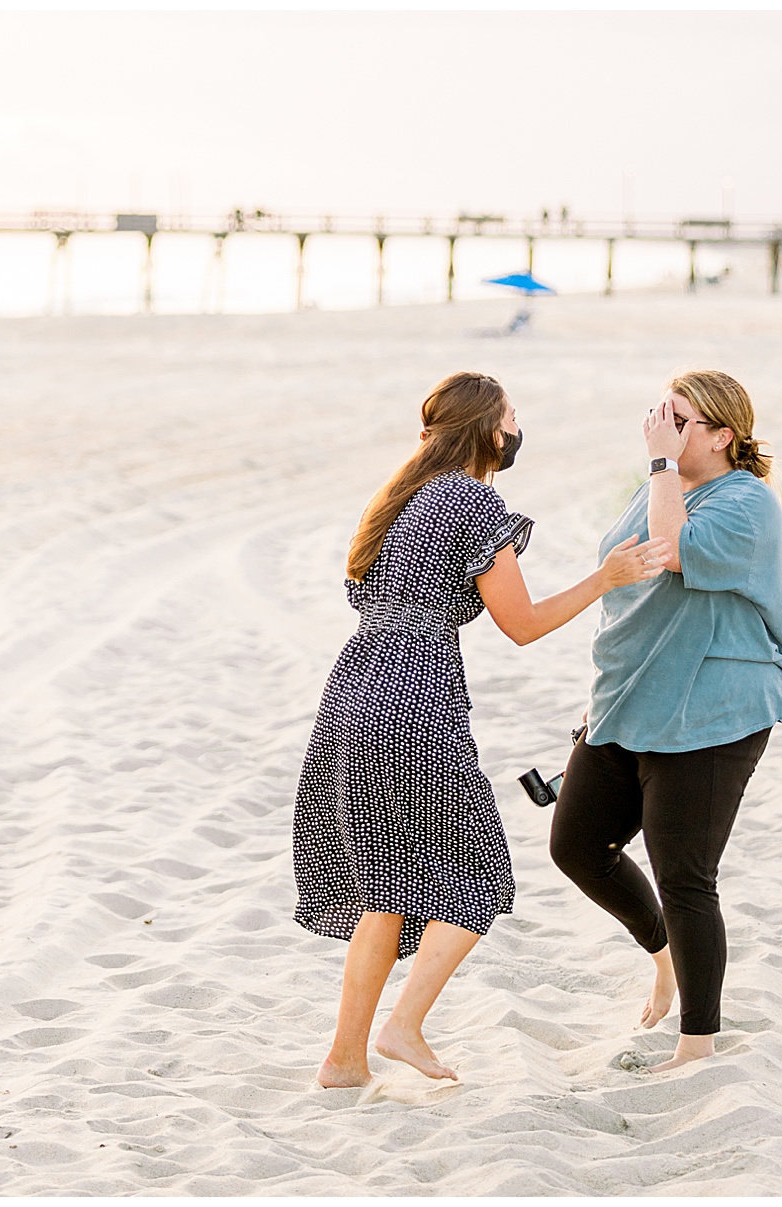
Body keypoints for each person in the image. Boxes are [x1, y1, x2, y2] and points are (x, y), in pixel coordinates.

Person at [295, 371, 668, 1088]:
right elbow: (522, 625)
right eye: (513, 417)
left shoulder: (396, 499)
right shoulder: (472, 499)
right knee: (479, 875)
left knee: (387, 888)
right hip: (415, 699)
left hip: (351, 690)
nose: (517, 429)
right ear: (488, 429)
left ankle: (344, 1060)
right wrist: (606, 577)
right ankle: (402, 1026)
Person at [549, 369, 782, 1074]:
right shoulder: (657, 487)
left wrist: (660, 463)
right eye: (660, 414)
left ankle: (698, 1043)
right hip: (628, 698)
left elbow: (668, 551)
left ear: (722, 436)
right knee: (576, 844)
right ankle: (664, 955)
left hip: (712, 707)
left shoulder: (748, 504)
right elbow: (625, 575)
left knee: (685, 874)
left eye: (679, 419)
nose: (662, 427)